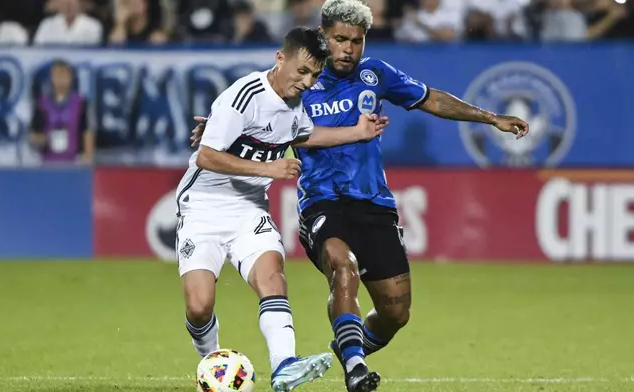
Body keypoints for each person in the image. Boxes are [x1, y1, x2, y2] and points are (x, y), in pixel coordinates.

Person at [189, 2, 529, 389]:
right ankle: (355, 369)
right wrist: (219, 129)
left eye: (357, 41)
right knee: (342, 267)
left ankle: (349, 345)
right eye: (340, 40)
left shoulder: (375, 74)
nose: (349, 49)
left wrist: (490, 117)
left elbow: (431, 98)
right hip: (321, 201)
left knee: (396, 311)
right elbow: (256, 112)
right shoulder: (302, 77)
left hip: (373, 202)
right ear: (323, 35)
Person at [176, 27, 388, 392]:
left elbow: (306, 135)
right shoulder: (244, 96)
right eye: (302, 71)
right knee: (199, 307)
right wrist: (268, 168)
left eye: (314, 76)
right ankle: (210, 365)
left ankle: (284, 366)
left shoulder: (294, 106)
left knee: (273, 279)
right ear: (280, 59)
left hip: (249, 209)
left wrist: (357, 132)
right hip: (204, 209)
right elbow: (207, 156)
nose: (307, 82)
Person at [31, 59, 95, 164]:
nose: (61, 79)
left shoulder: (81, 103)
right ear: (51, 78)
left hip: (74, 161)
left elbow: (87, 130)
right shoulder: (41, 104)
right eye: (57, 75)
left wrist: (87, 156)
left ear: (71, 78)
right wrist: (43, 139)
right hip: (47, 161)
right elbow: (34, 134)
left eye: (64, 75)